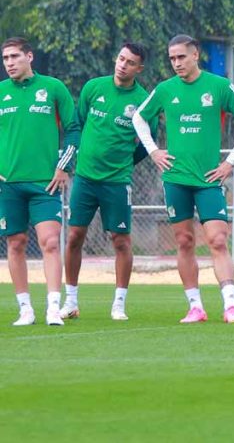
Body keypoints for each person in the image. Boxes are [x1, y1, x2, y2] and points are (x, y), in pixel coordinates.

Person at [133, 34, 234, 324]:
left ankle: (230, 306)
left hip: (209, 179)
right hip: (175, 179)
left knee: (217, 239)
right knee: (185, 241)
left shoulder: (219, 86)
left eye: (181, 57)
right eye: (172, 58)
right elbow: (139, 118)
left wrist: (230, 161)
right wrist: (153, 151)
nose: (176, 63)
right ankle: (195, 307)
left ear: (195, 55)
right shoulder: (165, 89)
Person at [61, 42, 151, 322]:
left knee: (120, 241)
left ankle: (119, 304)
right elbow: (79, 125)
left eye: (129, 62)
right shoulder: (93, 88)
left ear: (139, 68)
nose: (122, 65)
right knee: (75, 236)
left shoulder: (143, 100)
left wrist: (123, 162)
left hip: (117, 182)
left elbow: (146, 144)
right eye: (121, 58)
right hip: (85, 179)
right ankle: (71, 301)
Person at [0, 37, 81, 327]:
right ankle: (25, 310)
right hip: (9, 185)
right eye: (5, 58)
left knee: (49, 241)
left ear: (29, 57)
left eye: (14, 56)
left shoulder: (53, 88)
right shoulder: (1, 92)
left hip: (45, 184)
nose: (9, 63)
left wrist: (64, 167)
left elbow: (73, 129)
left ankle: (52, 308)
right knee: (16, 243)